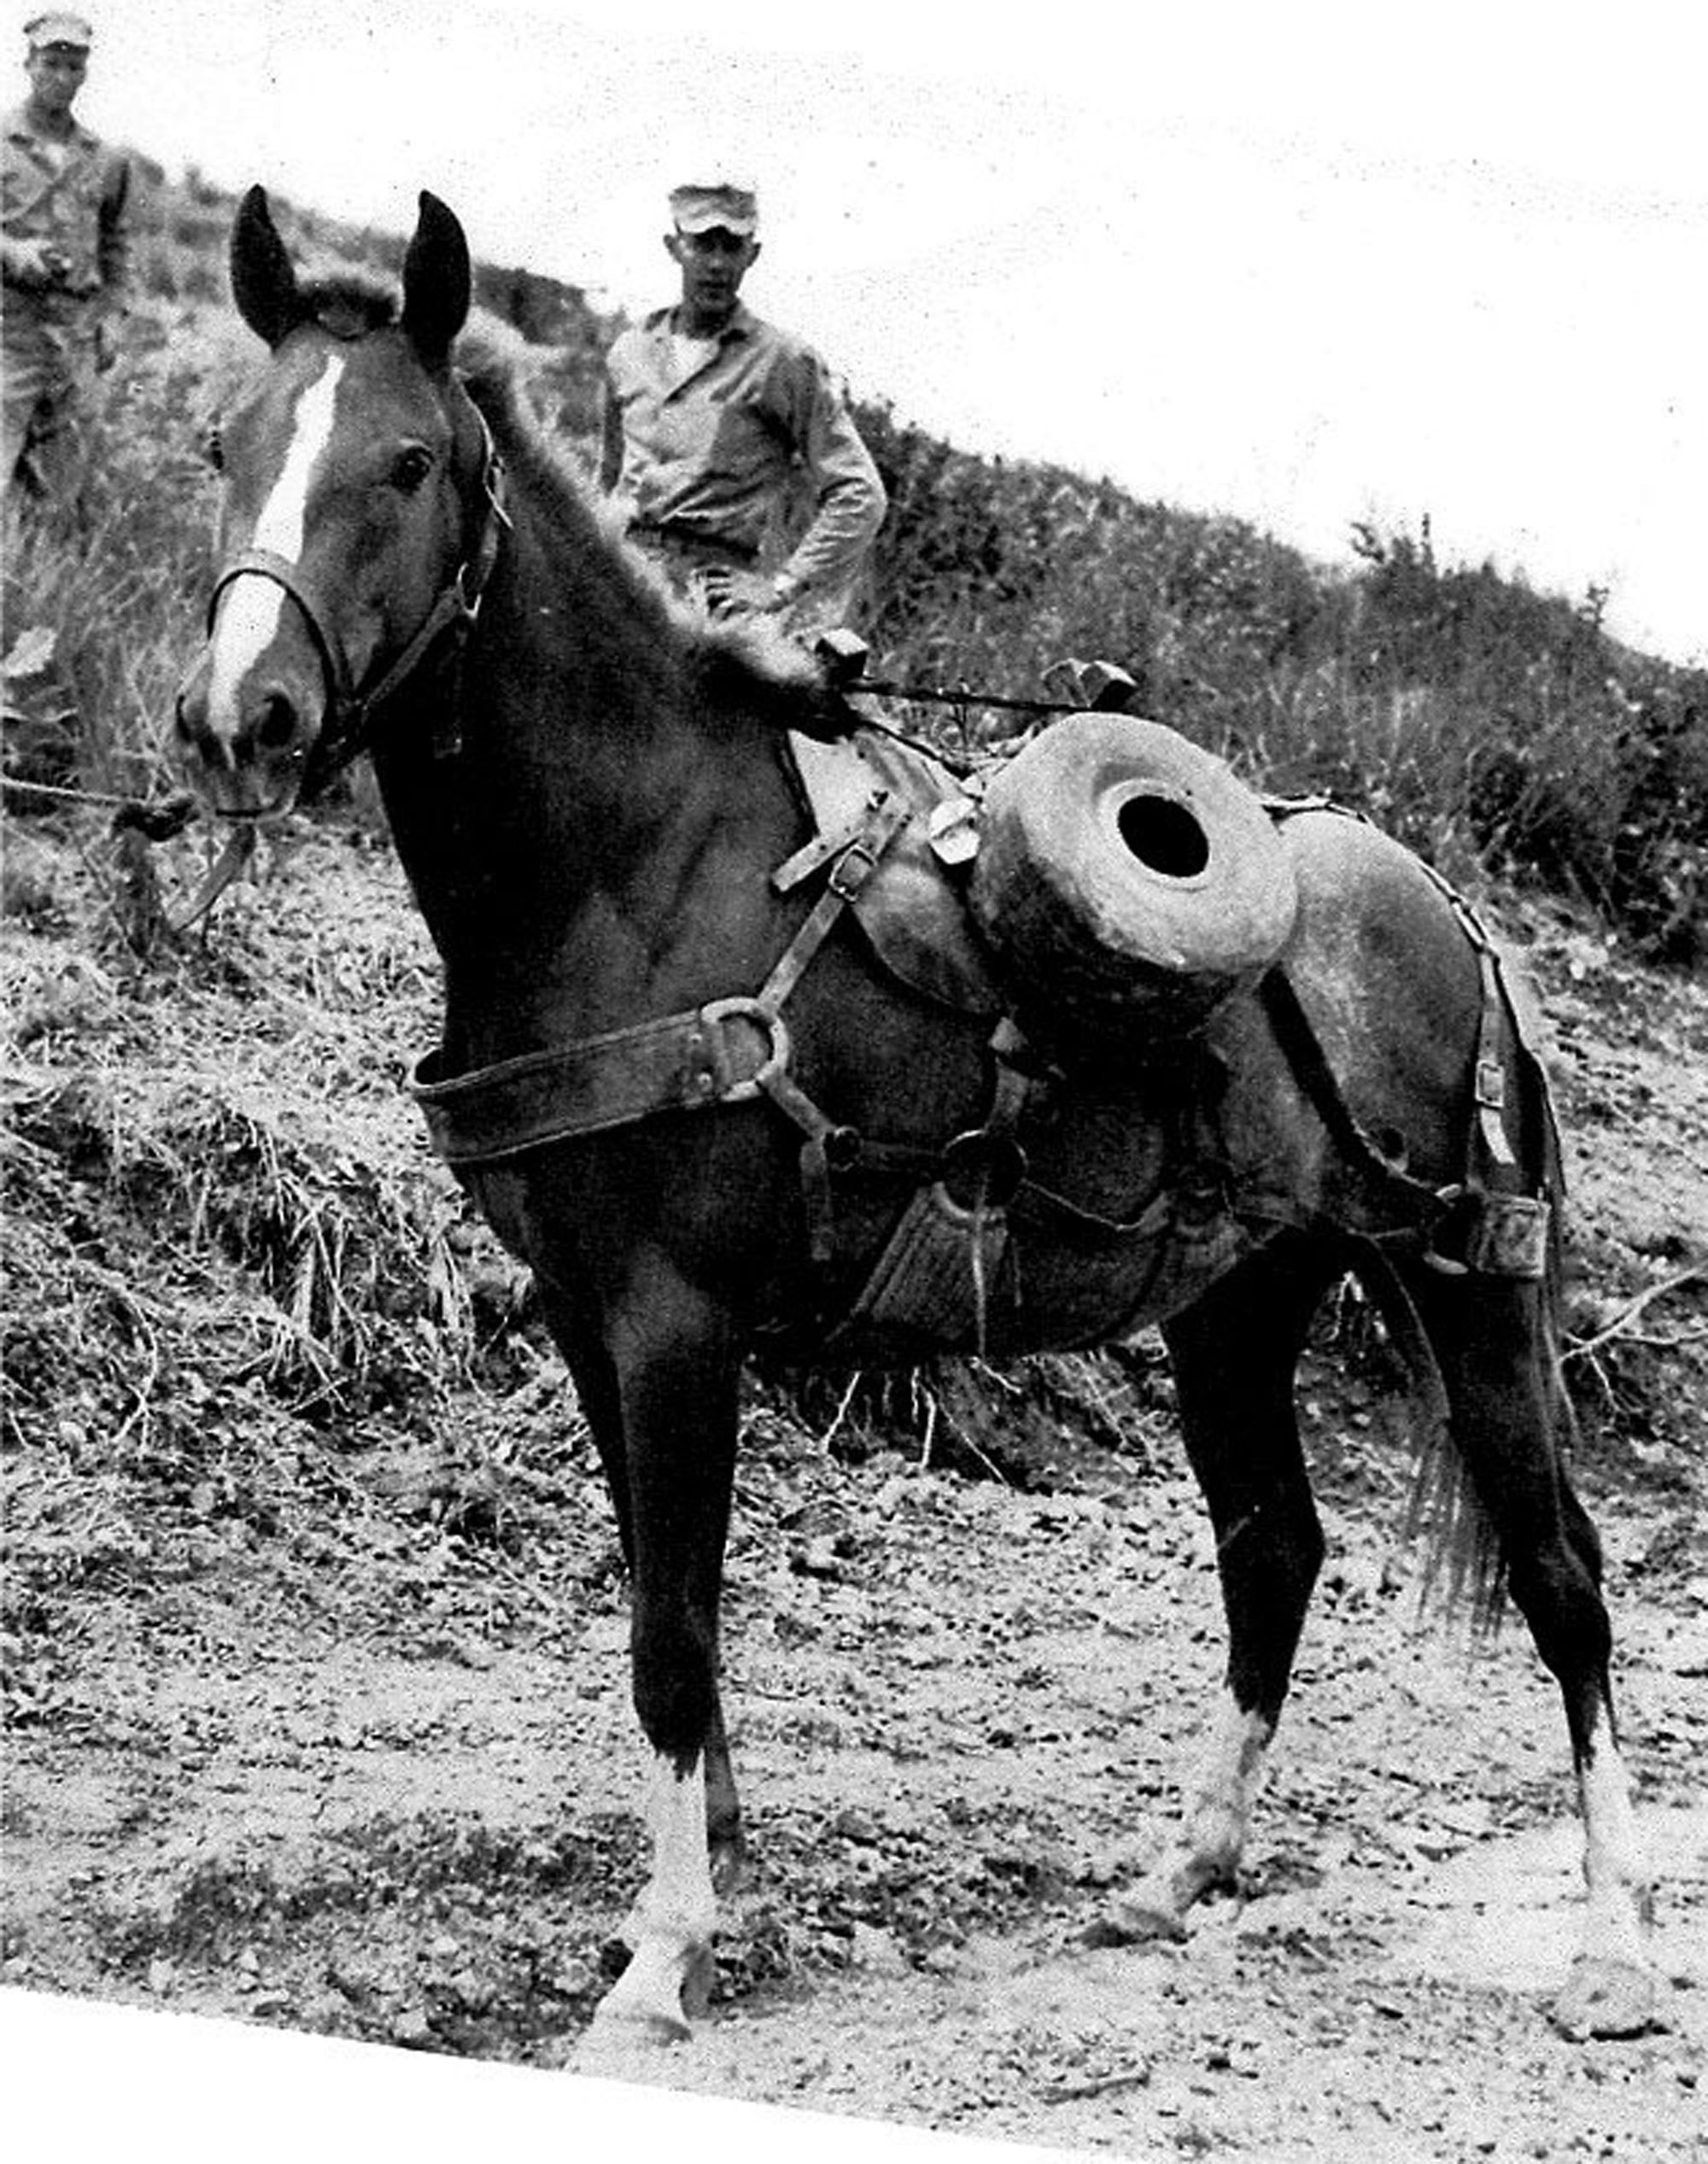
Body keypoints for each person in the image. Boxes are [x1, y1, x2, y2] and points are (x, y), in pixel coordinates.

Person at [600, 175, 886, 639]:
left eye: (732, 247)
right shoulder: (629, 351)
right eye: (703, 244)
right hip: (618, 581)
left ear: (752, 255)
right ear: (674, 247)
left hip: (711, 602)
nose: (716, 264)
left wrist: (782, 585)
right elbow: (607, 478)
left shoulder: (783, 361)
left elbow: (861, 493)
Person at [2, 11, 132, 513]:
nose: (62, 77)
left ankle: (43, 584)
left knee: (61, 490)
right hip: (10, 325)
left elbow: (117, 242)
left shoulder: (104, 157)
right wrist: (13, 251)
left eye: (74, 67)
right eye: (51, 63)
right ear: (28, 63)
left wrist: (114, 316)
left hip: (75, 334)